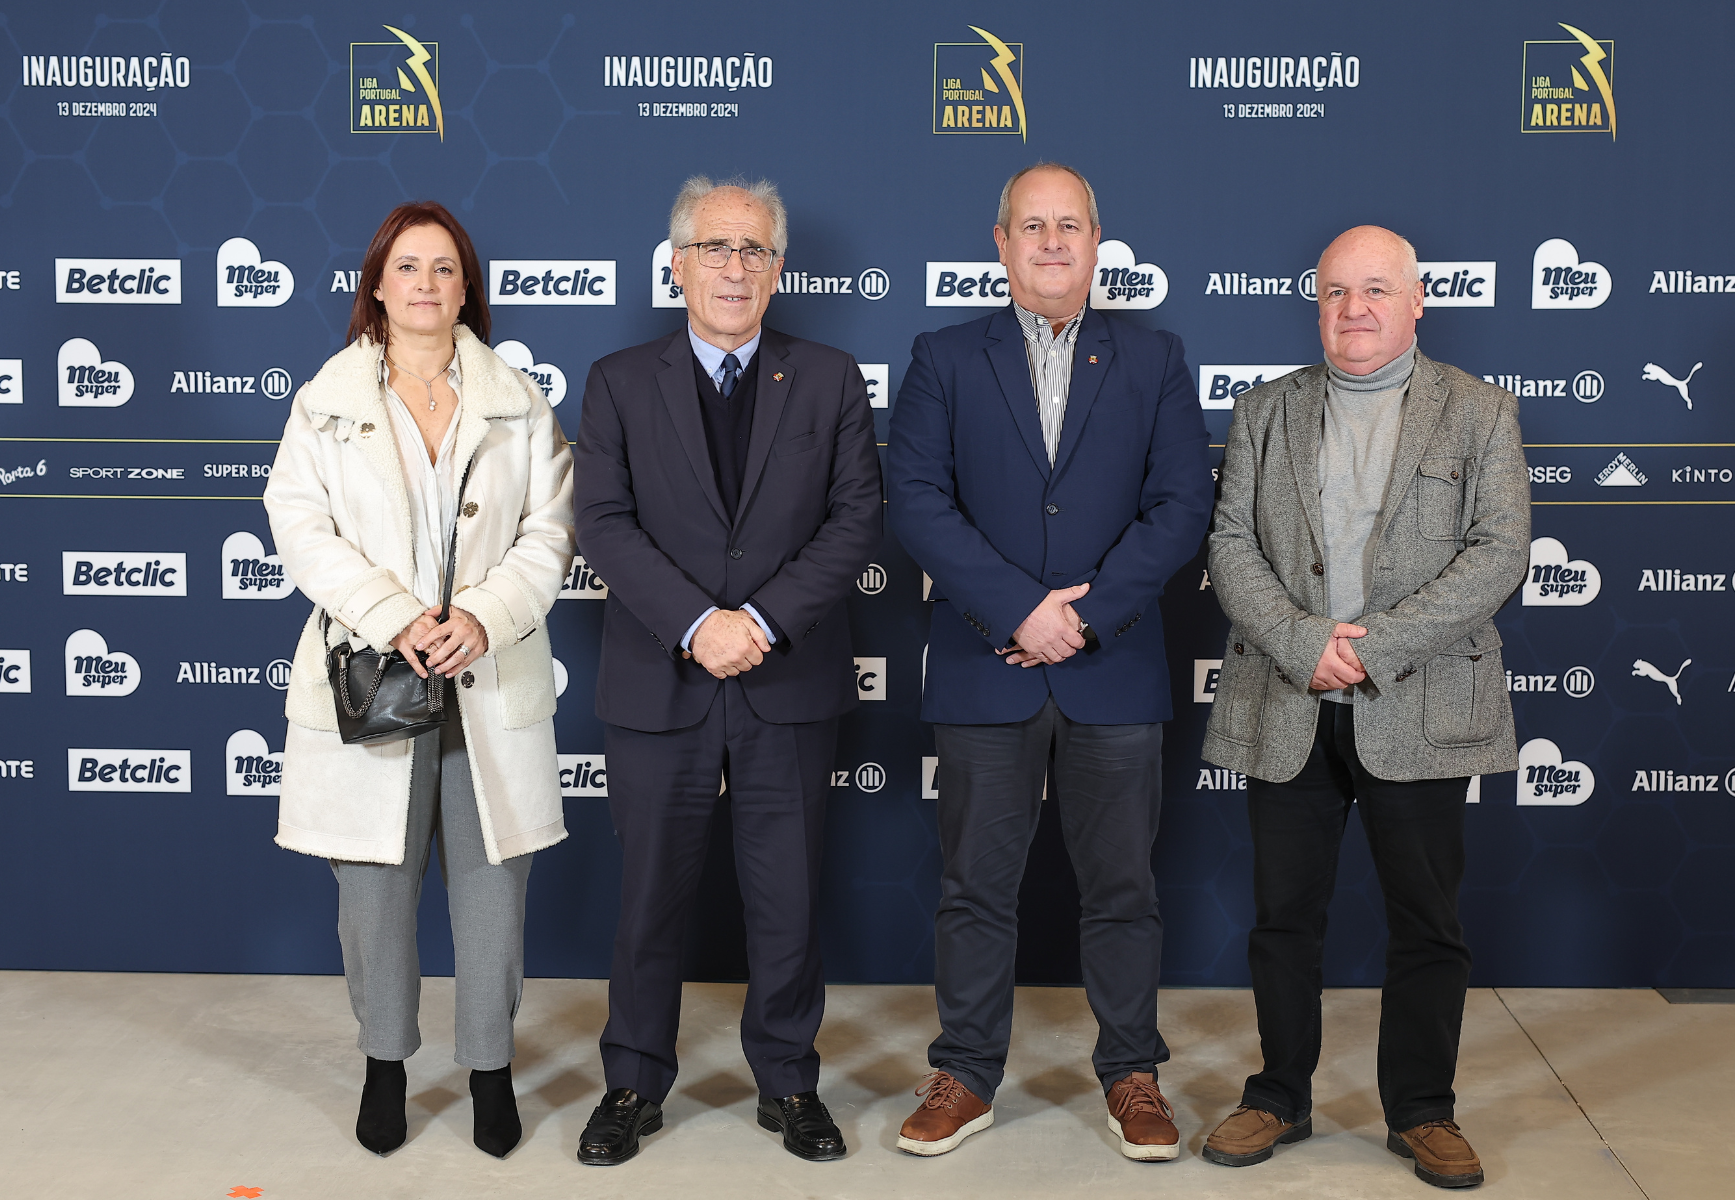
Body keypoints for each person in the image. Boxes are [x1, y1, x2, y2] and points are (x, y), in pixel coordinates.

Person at [885, 163, 1212, 1161]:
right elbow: (917, 502)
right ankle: (967, 1074)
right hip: (989, 663)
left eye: (1070, 226)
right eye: (1034, 227)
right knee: (976, 887)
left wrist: (1088, 615)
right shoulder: (943, 356)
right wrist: (1021, 610)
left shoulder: (1154, 359)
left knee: (1122, 888)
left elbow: (1180, 507)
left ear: (1097, 241)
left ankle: (1131, 1073)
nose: (1053, 243)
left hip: (1112, 669)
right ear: (1001, 244)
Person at [1200, 225, 1530, 1189]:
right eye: (1337, 292)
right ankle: (1277, 1098)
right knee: (1282, 919)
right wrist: (1308, 646)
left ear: (1417, 301)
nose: (1355, 310)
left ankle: (1424, 1110)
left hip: (1418, 705)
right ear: (1318, 303)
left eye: (1377, 290)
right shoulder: (1266, 411)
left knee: (1427, 922)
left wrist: (1372, 650)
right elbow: (1230, 547)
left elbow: (1498, 553)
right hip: (1289, 697)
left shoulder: (1479, 412)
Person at [570, 176, 882, 1165]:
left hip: (785, 678)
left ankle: (788, 1082)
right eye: (715, 248)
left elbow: (856, 519)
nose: (734, 268)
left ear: (780, 267)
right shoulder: (619, 380)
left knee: (787, 894)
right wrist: (700, 623)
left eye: (753, 250)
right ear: (678, 265)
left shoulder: (829, 378)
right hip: (663, 677)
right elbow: (603, 526)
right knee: (650, 893)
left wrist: (763, 621)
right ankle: (631, 1080)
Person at [264, 201, 575, 1160]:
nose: (428, 285)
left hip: (485, 678)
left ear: (466, 288)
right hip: (374, 678)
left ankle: (490, 1072)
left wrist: (481, 617)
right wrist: (395, 616)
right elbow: (299, 526)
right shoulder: (324, 402)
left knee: (492, 896)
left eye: (446, 268)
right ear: (377, 285)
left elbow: (550, 532)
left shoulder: (521, 402)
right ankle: (384, 1067)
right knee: (375, 898)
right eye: (409, 267)